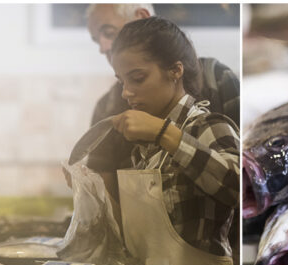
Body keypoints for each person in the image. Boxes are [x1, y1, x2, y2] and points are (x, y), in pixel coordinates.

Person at [102, 16, 240, 265]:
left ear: (175, 71)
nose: (126, 92)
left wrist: (167, 135)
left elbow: (238, 188)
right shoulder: (144, 146)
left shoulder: (209, 127)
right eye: (121, 81)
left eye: (137, 79)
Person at [83, 4, 240, 173]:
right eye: (122, 82)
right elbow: (101, 177)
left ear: (175, 71)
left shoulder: (216, 84)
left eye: (108, 33)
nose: (103, 47)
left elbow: (238, 177)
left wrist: (163, 133)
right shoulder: (107, 109)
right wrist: (84, 183)